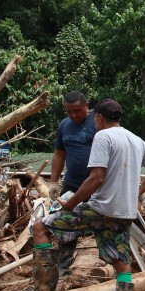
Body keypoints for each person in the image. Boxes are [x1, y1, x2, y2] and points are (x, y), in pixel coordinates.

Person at [14, 99, 145, 291]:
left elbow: (96, 177)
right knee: (121, 262)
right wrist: (139, 191)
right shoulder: (135, 139)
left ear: (98, 117)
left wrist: (72, 203)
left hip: (99, 208)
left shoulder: (103, 137)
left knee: (40, 227)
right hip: (123, 212)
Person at [48, 91, 97, 276]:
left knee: (106, 223)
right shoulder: (64, 125)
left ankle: (120, 263)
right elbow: (59, 153)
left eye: (77, 111)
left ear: (87, 105)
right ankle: (63, 267)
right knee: (65, 223)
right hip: (72, 183)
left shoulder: (98, 122)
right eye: (69, 112)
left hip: (96, 184)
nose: (73, 115)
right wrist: (54, 181)